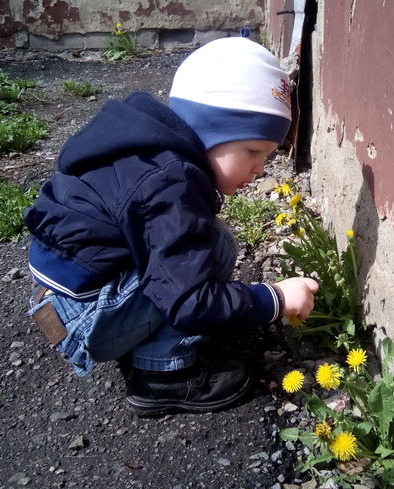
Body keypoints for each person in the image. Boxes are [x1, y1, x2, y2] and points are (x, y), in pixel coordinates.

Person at [25, 36, 318, 417]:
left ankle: (143, 342)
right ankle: (164, 376)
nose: (259, 168)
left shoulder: (148, 151)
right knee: (212, 250)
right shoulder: (170, 182)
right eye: (252, 151)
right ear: (214, 129)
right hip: (84, 320)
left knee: (206, 243)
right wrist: (274, 298)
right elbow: (188, 298)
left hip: (63, 301)